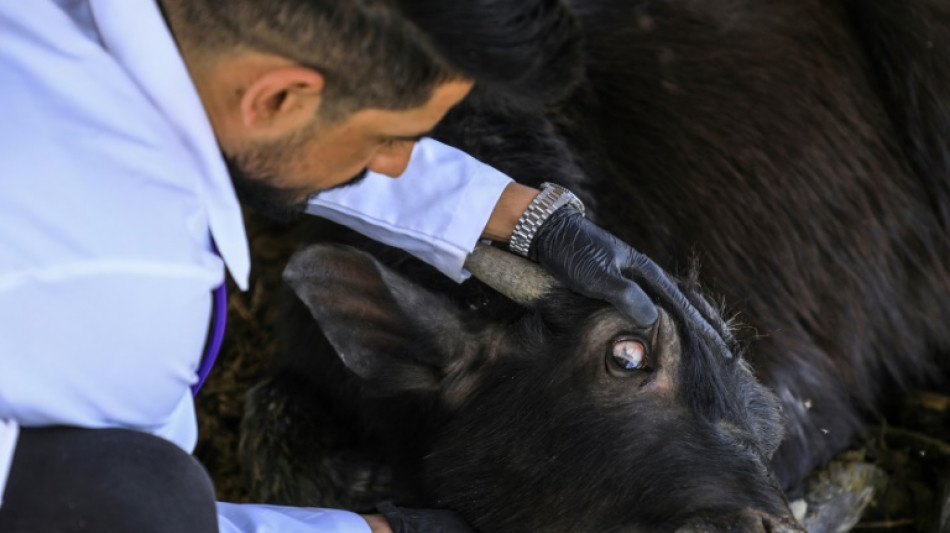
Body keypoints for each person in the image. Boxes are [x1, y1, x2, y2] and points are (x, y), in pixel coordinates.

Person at [0, 1, 716, 531]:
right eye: (391, 137)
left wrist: (509, 213)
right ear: (278, 98)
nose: (397, 163)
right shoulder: (123, 300)